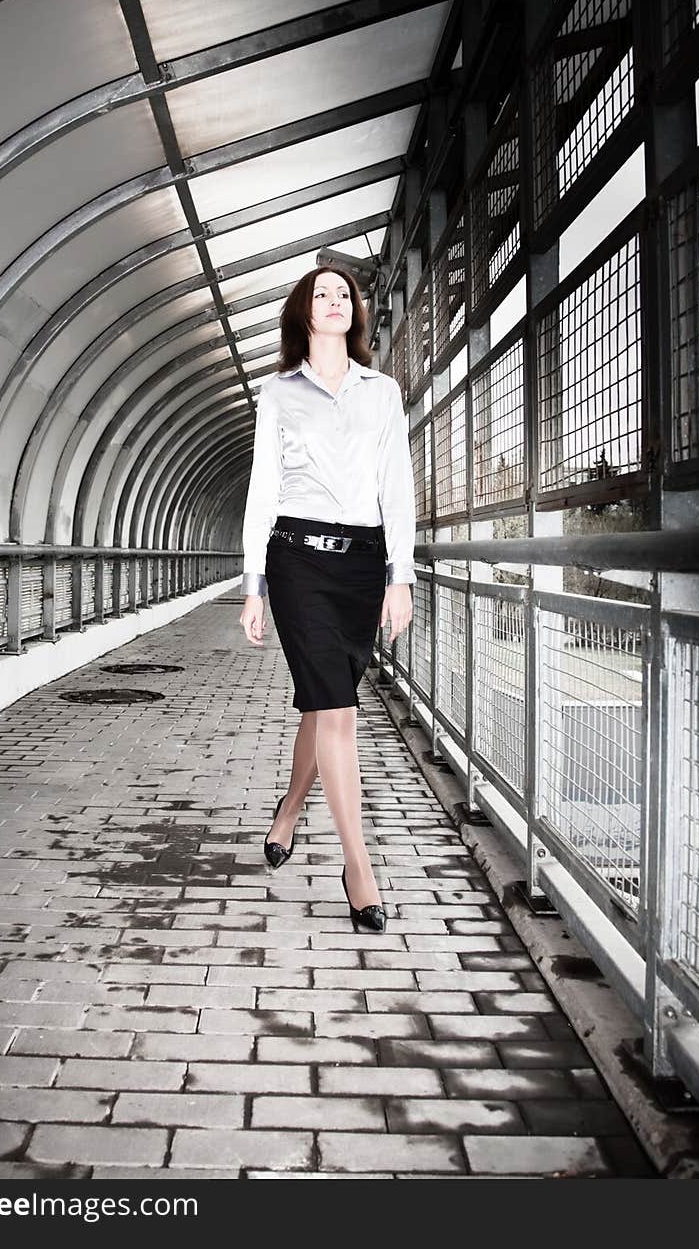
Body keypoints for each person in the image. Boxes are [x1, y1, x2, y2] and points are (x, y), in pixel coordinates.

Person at [238, 265, 416, 931]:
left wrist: (402, 576)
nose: (337, 301)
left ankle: (288, 811)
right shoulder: (279, 393)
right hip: (297, 563)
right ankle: (357, 866)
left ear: (354, 312)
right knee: (338, 710)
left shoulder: (382, 392)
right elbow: (262, 489)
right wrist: (253, 584)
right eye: (324, 294)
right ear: (303, 313)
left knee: (323, 705)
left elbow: (397, 488)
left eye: (345, 294)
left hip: (365, 568)